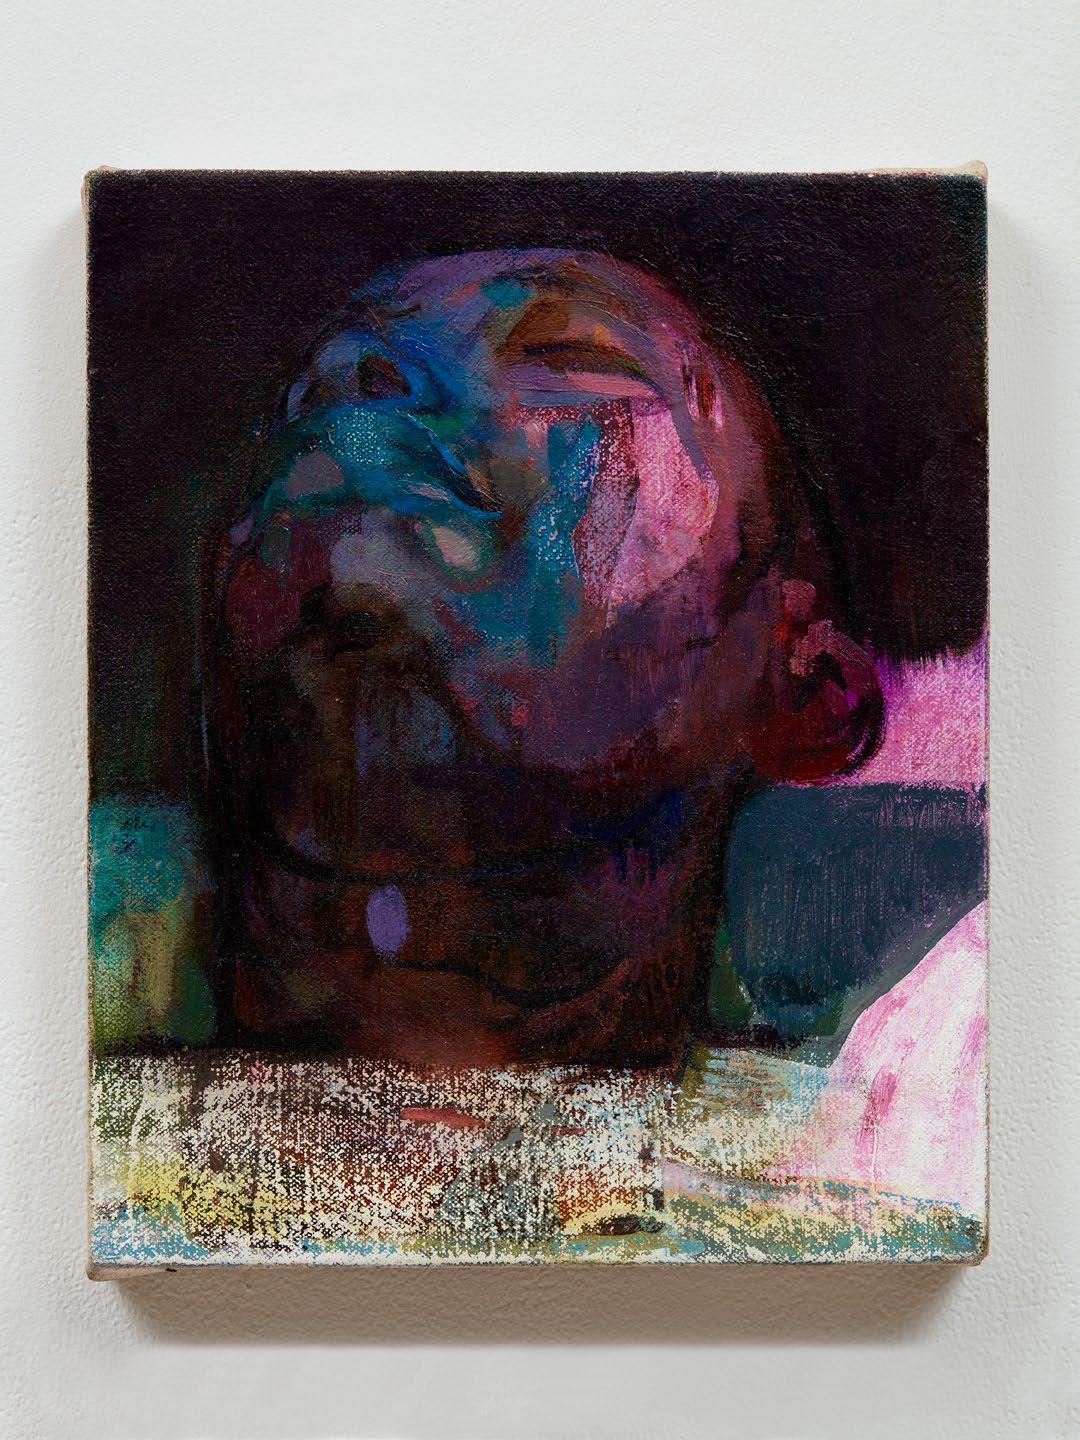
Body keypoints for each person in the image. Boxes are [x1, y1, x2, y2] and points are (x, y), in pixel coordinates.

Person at [202, 249, 882, 1068]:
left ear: (807, 687)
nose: (366, 378)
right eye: (315, 395)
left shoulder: (884, 1093)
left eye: (564, 365)